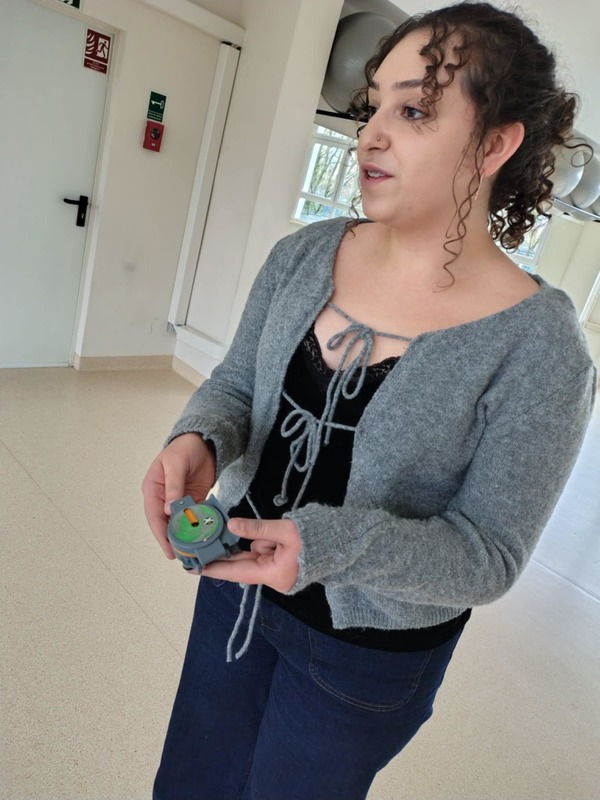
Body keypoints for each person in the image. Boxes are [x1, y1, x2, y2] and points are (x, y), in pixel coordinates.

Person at [143, 3, 596, 798]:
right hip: (231, 591)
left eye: (414, 111)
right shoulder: (303, 255)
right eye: (374, 105)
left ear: (495, 144)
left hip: (362, 657)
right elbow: (237, 384)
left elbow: (486, 555)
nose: (371, 135)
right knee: (190, 783)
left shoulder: (540, 347)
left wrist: (323, 546)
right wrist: (201, 439)